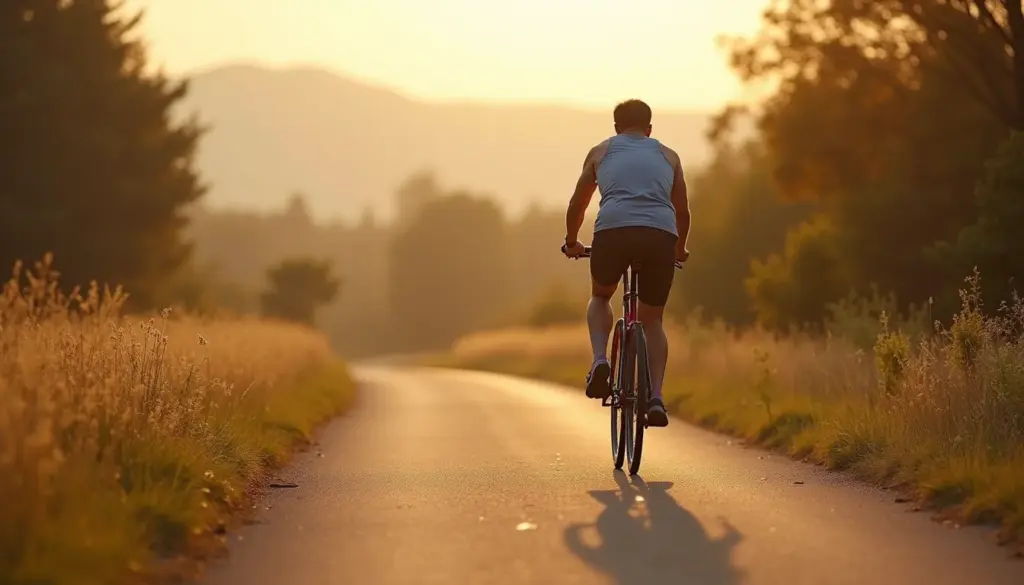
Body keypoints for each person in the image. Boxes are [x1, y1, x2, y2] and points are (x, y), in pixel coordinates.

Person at [562, 99, 690, 427]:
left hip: (613, 231)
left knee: (602, 295)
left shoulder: (601, 152)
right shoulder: (669, 156)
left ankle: (601, 360)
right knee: (653, 320)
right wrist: (680, 250)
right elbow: (683, 211)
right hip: (659, 235)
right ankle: (657, 397)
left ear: (616, 128)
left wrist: (572, 240)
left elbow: (579, 201)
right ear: (649, 129)